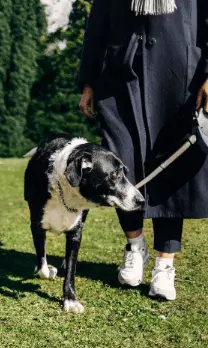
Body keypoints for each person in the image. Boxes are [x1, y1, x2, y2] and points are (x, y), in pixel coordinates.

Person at [78, 0, 208, 300]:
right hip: (118, 81)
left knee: (172, 171)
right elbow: (96, 25)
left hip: (179, 79)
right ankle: (135, 246)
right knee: (120, 168)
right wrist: (87, 82)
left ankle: (165, 264)